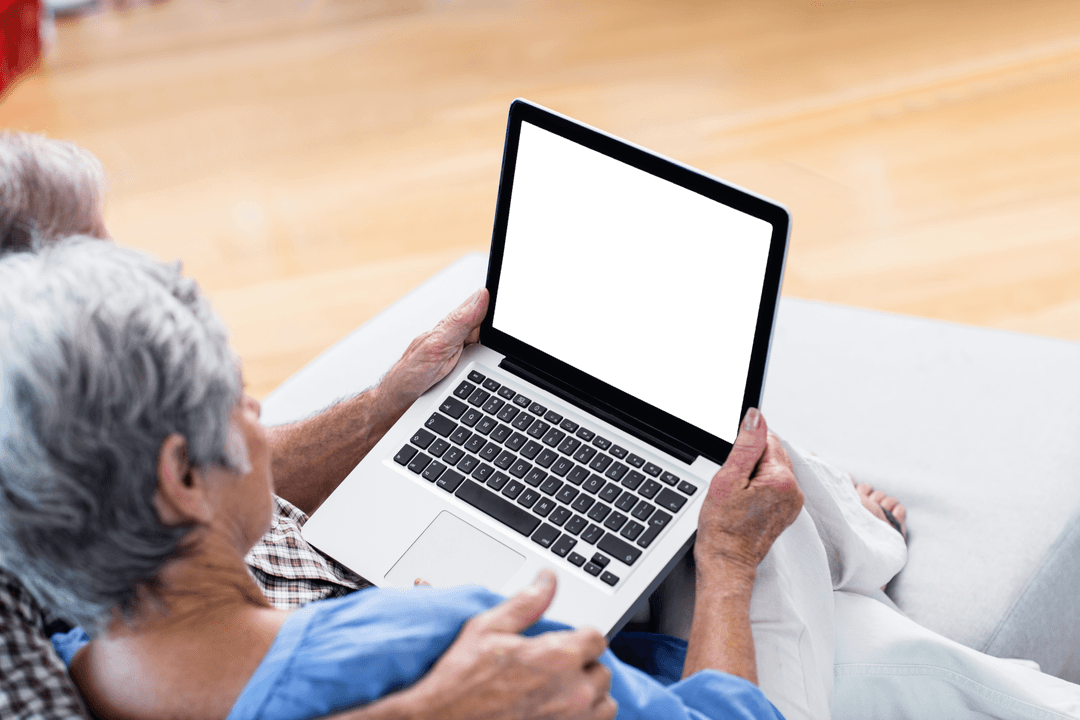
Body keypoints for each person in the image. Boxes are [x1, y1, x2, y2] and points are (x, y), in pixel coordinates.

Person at [0, 237, 796, 720]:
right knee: (767, 511)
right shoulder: (453, 645)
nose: (255, 409)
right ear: (180, 478)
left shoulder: (84, 664)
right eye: (233, 394)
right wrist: (728, 567)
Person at [0, 131, 621, 720]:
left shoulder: (95, 648)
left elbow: (179, 474)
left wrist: (387, 407)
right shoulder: (426, 645)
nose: (142, 275)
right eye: (104, 267)